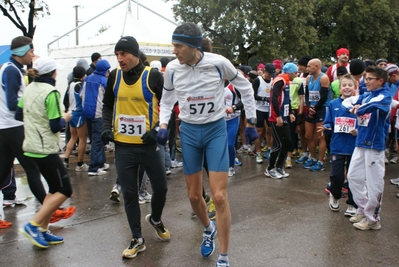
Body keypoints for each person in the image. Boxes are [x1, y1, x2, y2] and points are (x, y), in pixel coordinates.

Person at [157, 22, 258, 267]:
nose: (175, 51)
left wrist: (252, 120)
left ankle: (223, 257)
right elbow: (167, 100)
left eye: (178, 46)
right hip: (189, 133)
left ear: (192, 46)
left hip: (215, 131)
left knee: (220, 196)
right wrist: (162, 125)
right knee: (193, 197)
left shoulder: (218, 62)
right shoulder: (172, 68)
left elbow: (245, 86)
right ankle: (208, 227)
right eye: (174, 46)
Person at [101, 36, 170, 259]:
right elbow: (107, 105)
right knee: (130, 194)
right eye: (116, 55)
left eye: (123, 54)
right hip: (124, 147)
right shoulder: (115, 76)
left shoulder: (153, 75)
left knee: (161, 188)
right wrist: (105, 127)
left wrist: (159, 131)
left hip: (148, 146)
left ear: (134, 53)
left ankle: (156, 219)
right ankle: (137, 238)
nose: (119, 59)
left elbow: (168, 105)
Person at [17, 57, 73, 248]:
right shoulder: (51, 92)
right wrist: (66, 117)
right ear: (53, 73)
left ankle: (42, 229)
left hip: (30, 145)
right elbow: (55, 125)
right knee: (65, 189)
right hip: (45, 148)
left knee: (53, 189)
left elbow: (18, 113)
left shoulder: (29, 88)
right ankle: (33, 225)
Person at [0, 36, 45, 228]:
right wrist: (30, 104)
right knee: (32, 168)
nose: (33, 55)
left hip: (6, 126)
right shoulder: (11, 70)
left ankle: (47, 209)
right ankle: (48, 210)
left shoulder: (14, 69)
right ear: (22, 52)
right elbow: (12, 103)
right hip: (12, 126)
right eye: (31, 52)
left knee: (2, 170)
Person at [342, 66, 391, 230]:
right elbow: (347, 100)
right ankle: (363, 209)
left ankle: (373, 219)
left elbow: (369, 106)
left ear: (380, 81)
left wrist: (358, 107)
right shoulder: (367, 95)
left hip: (375, 145)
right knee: (353, 177)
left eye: (369, 79)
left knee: (374, 183)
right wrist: (352, 107)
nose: (366, 81)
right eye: (365, 78)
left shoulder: (385, 96)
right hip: (360, 143)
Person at [317, 74, 358, 216]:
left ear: (355, 87)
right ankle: (334, 195)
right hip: (337, 145)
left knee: (353, 176)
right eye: (344, 85)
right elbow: (329, 122)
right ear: (340, 88)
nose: (347, 87)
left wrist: (357, 131)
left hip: (354, 146)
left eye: (350, 85)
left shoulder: (359, 104)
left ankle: (352, 203)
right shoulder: (333, 104)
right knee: (337, 175)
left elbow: (364, 124)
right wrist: (326, 127)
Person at [264, 63, 296, 179]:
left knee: (288, 141)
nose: (296, 75)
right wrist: (278, 115)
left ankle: (279, 166)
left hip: (284, 115)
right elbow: (274, 98)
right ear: (290, 72)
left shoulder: (286, 81)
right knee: (278, 143)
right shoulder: (280, 80)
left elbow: (287, 98)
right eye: (295, 73)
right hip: (276, 116)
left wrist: (291, 112)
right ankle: (270, 168)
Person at [81, 59, 111, 176]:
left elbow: (81, 94)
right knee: (98, 140)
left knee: (95, 138)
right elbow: (108, 99)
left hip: (87, 112)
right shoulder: (104, 81)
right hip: (98, 113)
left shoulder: (87, 78)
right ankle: (94, 168)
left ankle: (101, 163)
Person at [303, 58, 331, 171]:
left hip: (321, 108)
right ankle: (313, 157)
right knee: (308, 135)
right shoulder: (308, 78)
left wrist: (315, 108)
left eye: (309, 66)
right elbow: (307, 94)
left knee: (320, 136)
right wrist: (309, 107)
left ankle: (320, 160)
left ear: (316, 66)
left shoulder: (323, 78)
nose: (307, 68)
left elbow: (323, 97)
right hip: (311, 107)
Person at [63, 66, 88, 171]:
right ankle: (80, 163)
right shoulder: (80, 85)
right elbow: (84, 99)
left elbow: (66, 99)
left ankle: (65, 160)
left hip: (71, 112)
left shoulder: (71, 85)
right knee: (82, 139)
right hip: (79, 113)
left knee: (73, 137)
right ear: (83, 74)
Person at [252, 63, 276, 163]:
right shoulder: (258, 80)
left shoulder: (273, 81)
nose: (270, 76)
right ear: (265, 71)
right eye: (269, 73)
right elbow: (253, 95)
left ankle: (269, 150)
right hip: (259, 109)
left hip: (269, 109)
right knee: (259, 131)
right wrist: (264, 98)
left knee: (270, 130)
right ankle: (258, 153)